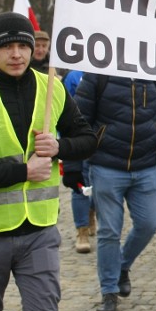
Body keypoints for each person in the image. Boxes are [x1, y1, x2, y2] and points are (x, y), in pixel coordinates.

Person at [0, 12, 97, 311]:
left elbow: (88, 139)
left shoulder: (52, 86)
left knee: (44, 310)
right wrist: (23, 171)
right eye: (6, 47)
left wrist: (59, 147)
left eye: (23, 46)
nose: (16, 54)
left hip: (39, 232)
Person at [74, 75, 156, 311]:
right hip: (105, 165)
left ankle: (122, 265)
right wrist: (74, 163)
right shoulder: (97, 72)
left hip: (146, 166)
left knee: (149, 223)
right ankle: (109, 291)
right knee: (109, 231)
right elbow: (79, 117)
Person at [62, 69, 95, 254]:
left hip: (101, 138)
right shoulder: (73, 76)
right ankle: (81, 231)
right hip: (78, 137)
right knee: (80, 185)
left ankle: (92, 212)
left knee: (98, 186)